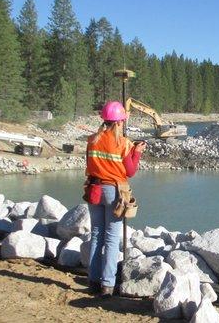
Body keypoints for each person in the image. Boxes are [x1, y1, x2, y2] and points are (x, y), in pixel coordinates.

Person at [85, 100, 146, 296]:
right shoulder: (123, 144)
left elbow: (91, 163)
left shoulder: (92, 139)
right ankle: (108, 284)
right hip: (114, 192)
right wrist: (136, 153)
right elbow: (130, 171)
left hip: (94, 188)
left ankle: (93, 281)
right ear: (120, 122)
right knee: (111, 239)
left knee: (96, 235)